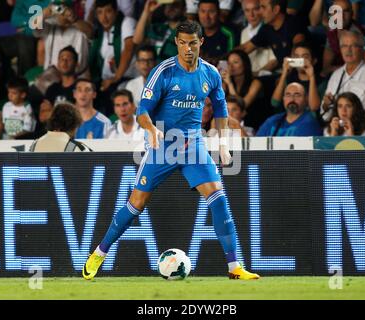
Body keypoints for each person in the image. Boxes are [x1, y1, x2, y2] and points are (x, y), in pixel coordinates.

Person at [82, 20, 260, 281]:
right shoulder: (163, 72)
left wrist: (222, 143)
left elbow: (221, 109)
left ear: (202, 42)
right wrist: (152, 130)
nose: (188, 48)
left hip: (193, 145)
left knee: (219, 199)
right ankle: (99, 252)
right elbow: (141, 111)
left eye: (193, 43)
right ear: (177, 43)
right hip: (162, 146)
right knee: (136, 204)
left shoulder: (210, 73)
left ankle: (235, 267)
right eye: (182, 43)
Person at [320, 30, 365, 124]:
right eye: (344, 46)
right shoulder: (336, 75)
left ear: (362, 49)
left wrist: (354, 120)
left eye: (353, 46)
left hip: (362, 130)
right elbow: (324, 115)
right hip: (337, 130)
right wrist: (326, 105)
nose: (348, 50)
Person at [257, 82, 323, 136]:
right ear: (283, 99)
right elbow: (256, 144)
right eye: (288, 95)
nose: (292, 99)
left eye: (297, 95)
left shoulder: (309, 124)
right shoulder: (272, 121)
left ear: (306, 99)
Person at [272, 42, 322, 112]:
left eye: (305, 57)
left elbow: (314, 107)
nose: (300, 60)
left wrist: (311, 77)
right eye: (296, 57)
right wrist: (284, 74)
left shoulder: (321, 82)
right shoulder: (289, 79)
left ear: (314, 61)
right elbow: (275, 103)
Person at [240, 0, 277, 76]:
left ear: (261, 9)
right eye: (247, 10)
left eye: (255, 9)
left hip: (268, 76)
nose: (251, 14)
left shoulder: (270, 29)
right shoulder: (243, 32)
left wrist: (255, 75)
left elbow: (274, 62)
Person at [198, 0, 236, 66]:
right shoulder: (194, 33)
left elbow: (233, 58)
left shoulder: (228, 34)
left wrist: (216, 60)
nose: (206, 17)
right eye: (203, 11)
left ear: (219, 13)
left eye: (211, 12)